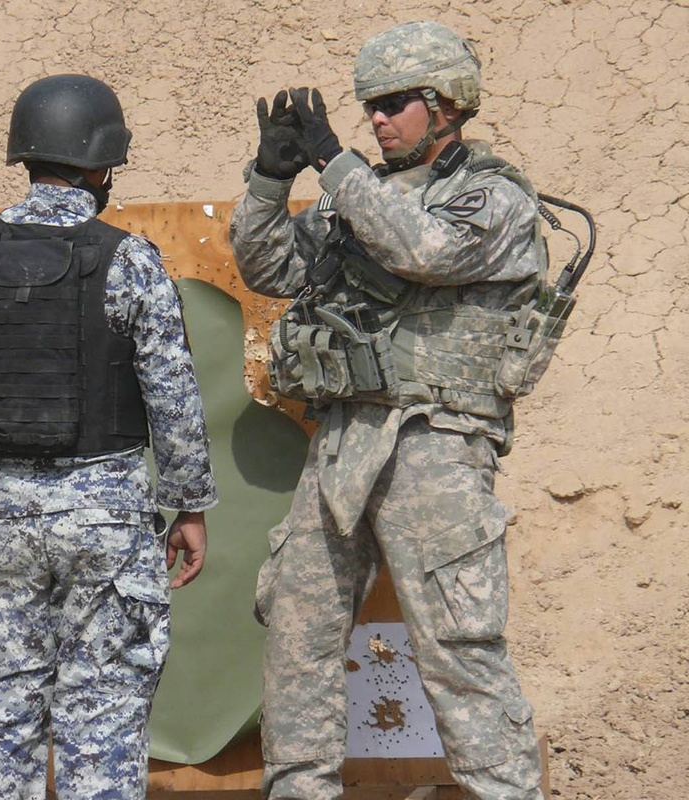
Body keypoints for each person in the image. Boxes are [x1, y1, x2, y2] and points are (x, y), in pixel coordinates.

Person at [229, 21, 550, 800]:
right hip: (346, 440)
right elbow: (270, 265)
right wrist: (270, 184)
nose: (376, 118)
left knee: (457, 646)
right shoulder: (364, 195)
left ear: (445, 104)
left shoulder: (492, 198)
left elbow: (427, 253)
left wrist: (336, 166)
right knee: (299, 630)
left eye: (394, 102)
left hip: (437, 443)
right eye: (369, 104)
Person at [0, 73, 217, 800]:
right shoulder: (128, 258)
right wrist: (190, 506)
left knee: (5, 719)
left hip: (2, 512)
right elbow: (175, 397)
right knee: (100, 720)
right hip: (107, 522)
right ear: (100, 164)